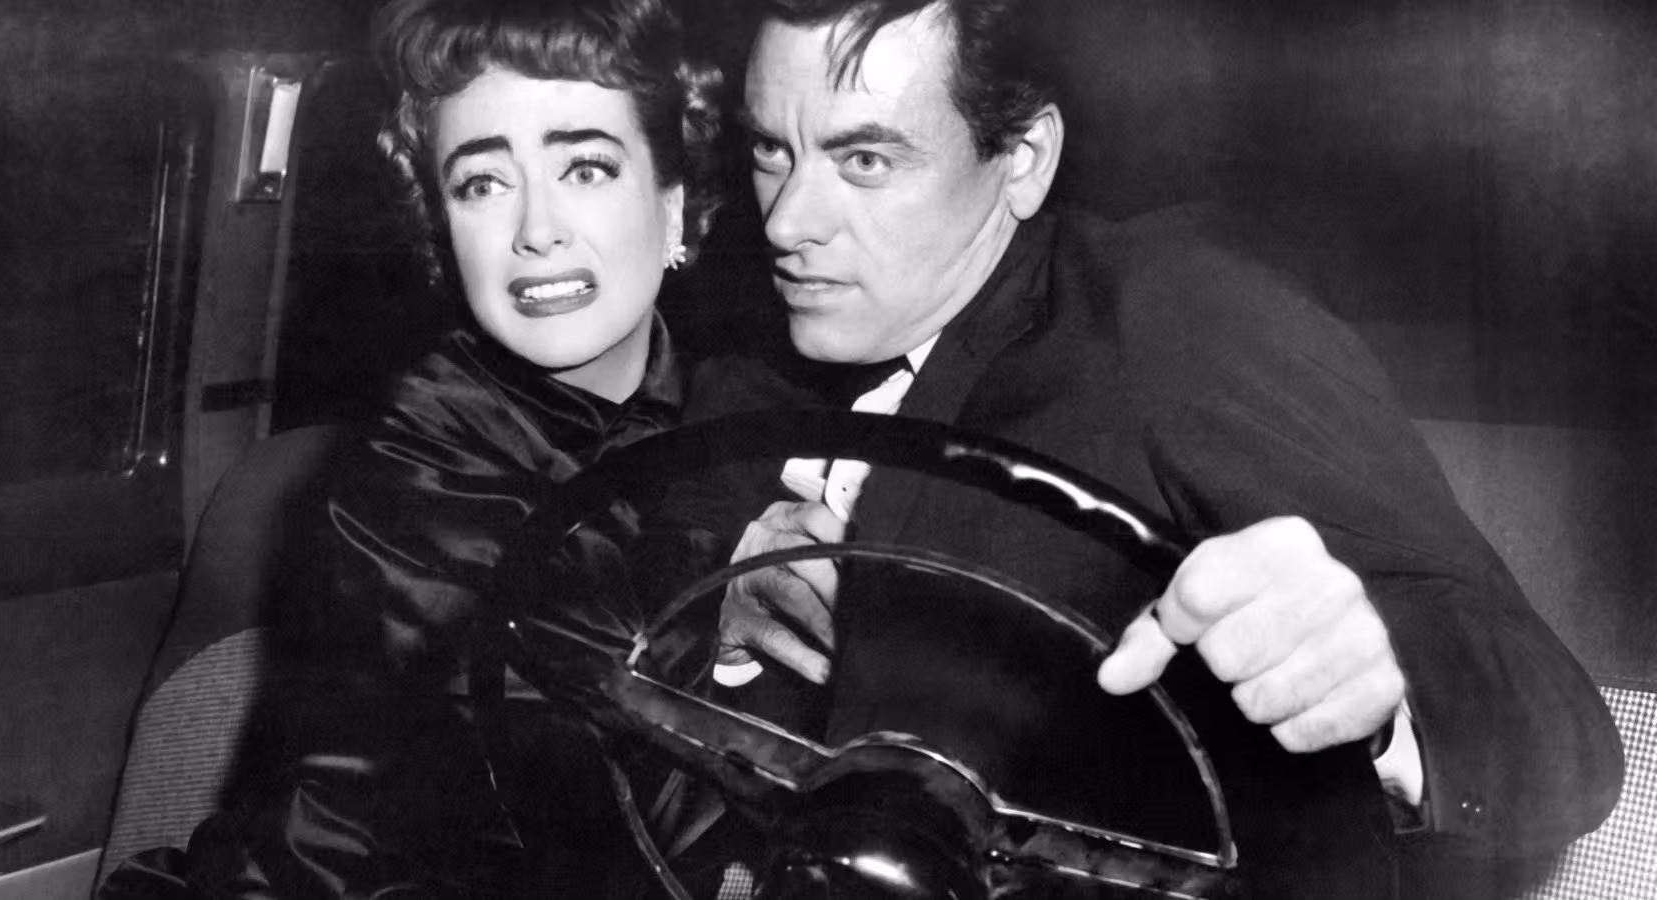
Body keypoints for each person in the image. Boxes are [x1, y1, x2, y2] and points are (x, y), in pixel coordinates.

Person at [669, 0, 1626, 896]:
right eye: (771, 150)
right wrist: (729, 640)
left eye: (866, 159)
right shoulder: (739, 376)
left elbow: (1555, 721)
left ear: (1023, 158)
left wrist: (1380, 695)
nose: (787, 221)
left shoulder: (1175, 316)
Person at [98, 0, 722, 896]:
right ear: (443, 226)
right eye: (483, 183)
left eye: (585, 167)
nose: (536, 229)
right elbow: (325, 843)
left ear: (673, 207)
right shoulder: (416, 469)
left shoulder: (746, 416)